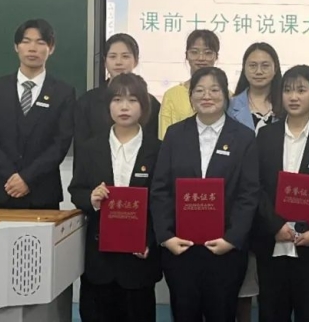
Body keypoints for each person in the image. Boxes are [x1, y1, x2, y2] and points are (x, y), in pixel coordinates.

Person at [150, 66, 260, 322]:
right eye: (199, 90)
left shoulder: (244, 137)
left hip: (225, 250)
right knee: (184, 313)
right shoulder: (175, 134)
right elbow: (160, 189)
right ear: (190, 97)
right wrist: (166, 237)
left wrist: (232, 239)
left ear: (226, 95)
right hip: (181, 249)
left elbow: (249, 193)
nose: (206, 96)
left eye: (214, 90)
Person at [68, 73, 161, 322]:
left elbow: (163, 202)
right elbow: (76, 190)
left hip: (139, 259)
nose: (124, 107)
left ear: (144, 106)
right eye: (117, 100)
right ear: (108, 106)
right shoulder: (91, 147)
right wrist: (91, 198)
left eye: (132, 100)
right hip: (100, 259)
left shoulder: (158, 149)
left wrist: (149, 241)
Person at [253, 65, 309, 322]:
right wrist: (275, 225)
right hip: (272, 245)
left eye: (301, 90)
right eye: (288, 90)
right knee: (271, 314)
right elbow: (255, 187)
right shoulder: (266, 136)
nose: (293, 97)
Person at [0, 18, 76, 209]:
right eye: (26, 41)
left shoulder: (63, 92)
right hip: (2, 188)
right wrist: (11, 177)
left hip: (42, 191)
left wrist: (27, 178)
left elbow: (61, 143)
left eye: (40, 42)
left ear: (51, 48)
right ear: (16, 47)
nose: (32, 48)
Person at [227, 42, 283, 321]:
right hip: (242, 202)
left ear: (275, 69)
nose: (258, 71)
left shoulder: (287, 104)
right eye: (252, 65)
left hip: (280, 203)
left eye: (265, 65)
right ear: (244, 69)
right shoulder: (229, 106)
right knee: (243, 288)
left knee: (276, 288)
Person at [74, 34, 161, 161]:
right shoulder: (87, 102)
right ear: (105, 61)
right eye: (112, 56)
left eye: (125, 56)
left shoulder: (151, 103)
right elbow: (81, 149)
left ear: (136, 61)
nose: (119, 62)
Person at [158, 29, 220, 139]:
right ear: (186, 55)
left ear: (216, 56)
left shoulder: (228, 96)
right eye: (194, 52)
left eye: (208, 53)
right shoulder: (171, 95)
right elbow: (164, 139)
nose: (201, 58)